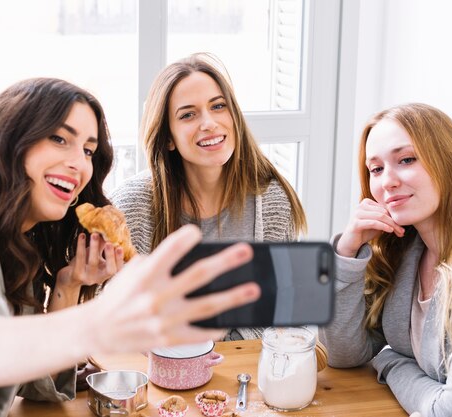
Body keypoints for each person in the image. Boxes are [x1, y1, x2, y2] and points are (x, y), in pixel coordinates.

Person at [0, 77, 261, 417]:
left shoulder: (13, 247)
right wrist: (104, 320)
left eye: (87, 150)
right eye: (60, 139)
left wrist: (68, 286)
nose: (78, 164)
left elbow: (31, 383)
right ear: (7, 141)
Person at [319, 103, 452, 416]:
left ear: (449, 163)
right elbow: (342, 352)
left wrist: (390, 361)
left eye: (406, 160)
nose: (387, 182)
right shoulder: (406, 251)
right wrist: (347, 252)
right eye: (376, 169)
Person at [110, 53, 306, 340]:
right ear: (168, 138)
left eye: (218, 106)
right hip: (159, 372)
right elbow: (114, 323)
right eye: (188, 114)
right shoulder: (131, 207)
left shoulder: (271, 199)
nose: (209, 123)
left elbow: (282, 314)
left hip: (247, 371)